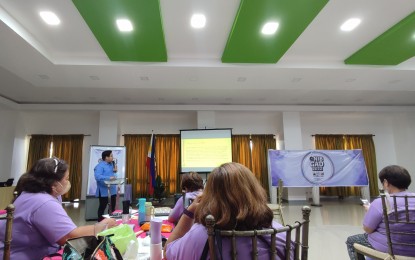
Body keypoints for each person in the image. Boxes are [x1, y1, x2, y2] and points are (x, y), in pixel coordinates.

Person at [165, 162, 291, 260]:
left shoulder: (201, 236)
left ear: (210, 195)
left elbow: (168, 251)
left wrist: (189, 212)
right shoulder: (280, 233)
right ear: (255, 191)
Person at [0, 157, 116, 260]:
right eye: (66, 178)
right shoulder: (43, 202)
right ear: (54, 183)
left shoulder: (30, 193)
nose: (68, 182)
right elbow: (69, 237)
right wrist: (103, 226)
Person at [346, 165, 415, 259]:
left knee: (351, 241)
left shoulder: (381, 202)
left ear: (386, 183)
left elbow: (368, 229)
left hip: (389, 249)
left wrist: (370, 211)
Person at [95, 150, 118, 221]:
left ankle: (111, 221)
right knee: (103, 207)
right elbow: (97, 177)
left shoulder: (112, 164)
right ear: (106, 157)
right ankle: (100, 222)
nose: (112, 157)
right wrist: (108, 178)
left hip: (112, 190)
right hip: (103, 191)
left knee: (112, 207)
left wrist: (115, 172)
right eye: (111, 156)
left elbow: (113, 175)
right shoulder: (99, 166)